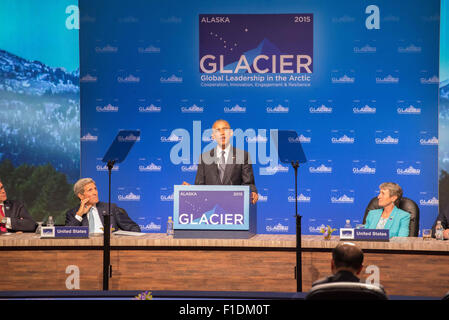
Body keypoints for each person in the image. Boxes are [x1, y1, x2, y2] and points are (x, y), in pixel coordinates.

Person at [189, 119, 258, 204]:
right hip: (211, 208)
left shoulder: (243, 156)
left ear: (231, 133)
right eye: (218, 130)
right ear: (213, 136)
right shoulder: (204, 157)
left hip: (235, 207)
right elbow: (199, 186)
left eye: (225, 129)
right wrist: (189, 191)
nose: (222, 133)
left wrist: (252, 192)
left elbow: (249, 184)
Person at [65, 178, 141, 233]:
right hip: (85, 251)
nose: (95, 192)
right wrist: (79, 215)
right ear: (81, 196)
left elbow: (134, 229)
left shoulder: (111, 208)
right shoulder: (72, 214)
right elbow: (66, 234)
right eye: (90, 190)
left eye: (95, 189)